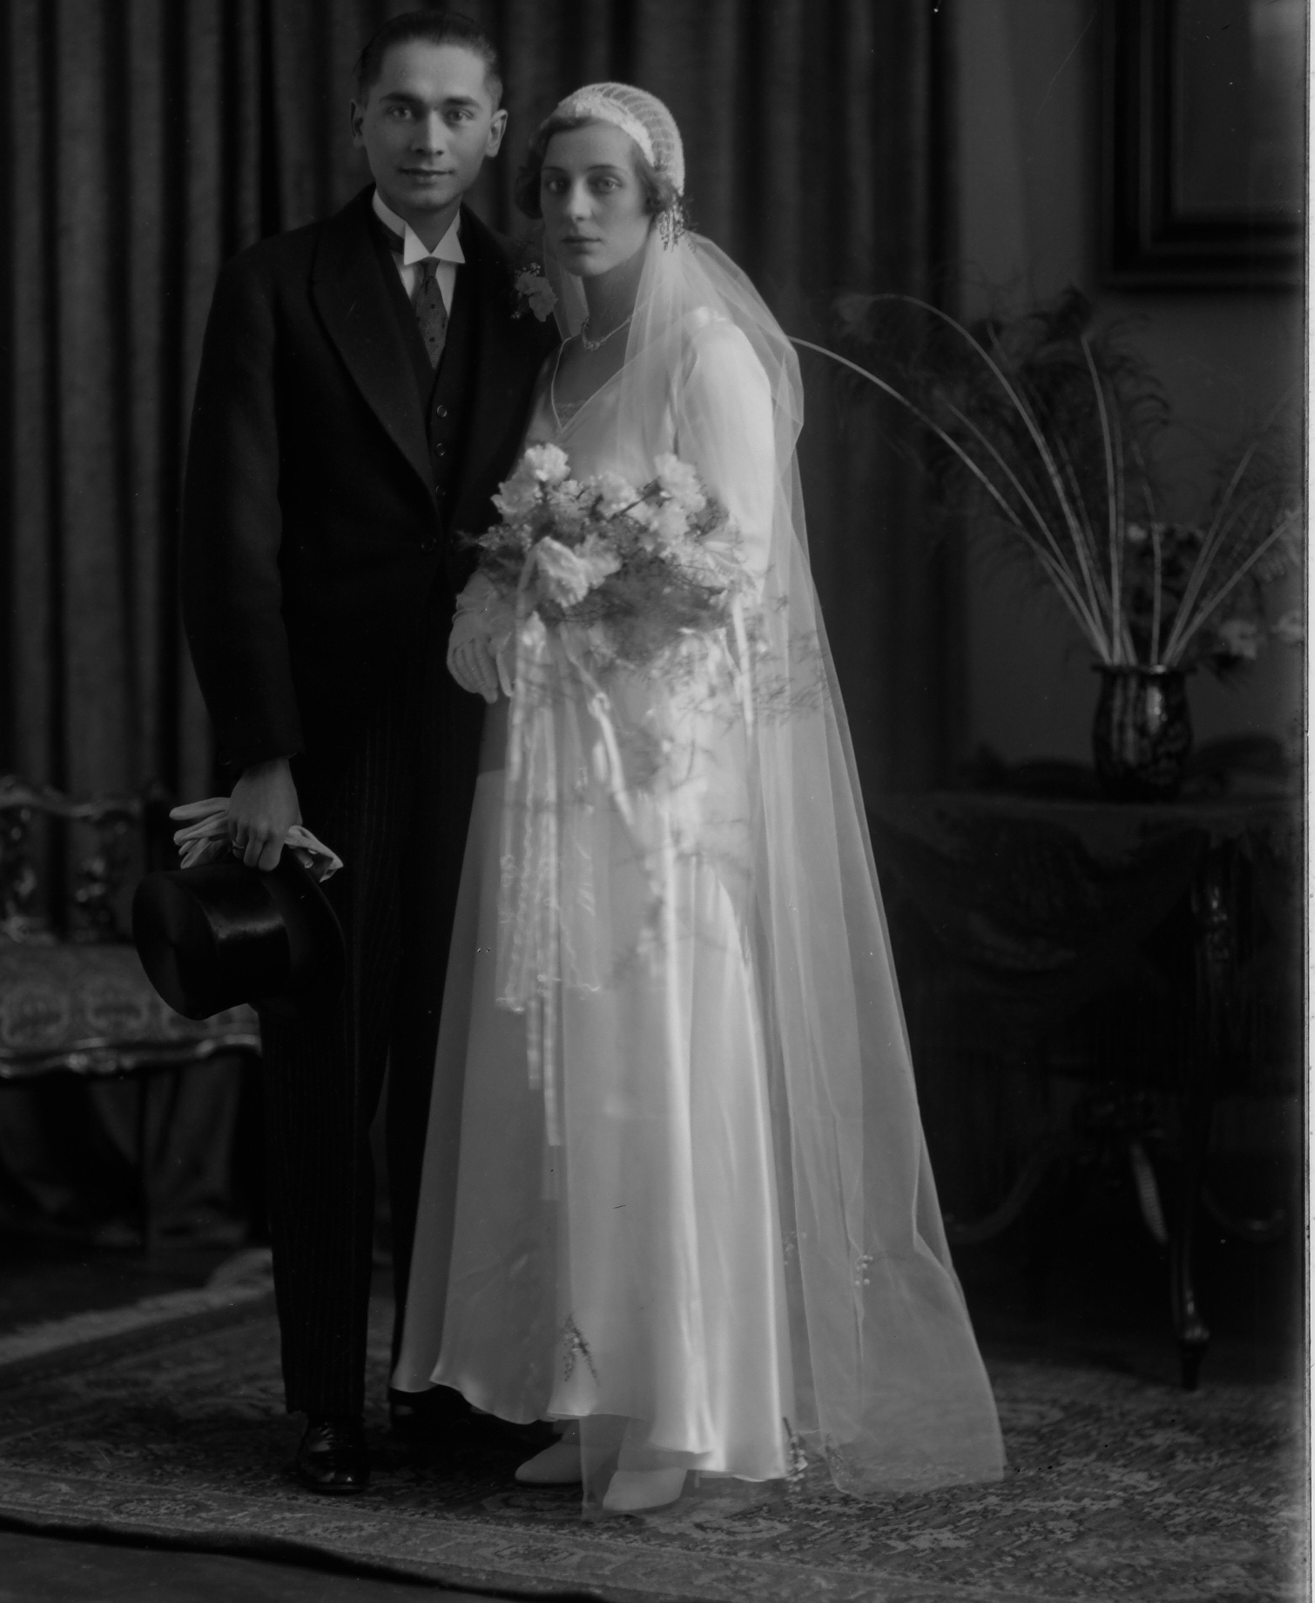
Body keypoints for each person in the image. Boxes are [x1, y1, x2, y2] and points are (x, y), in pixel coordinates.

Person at [393, 84, 1006, 1514]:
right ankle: (595, 1391)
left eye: (605, 183)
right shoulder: (560, 363)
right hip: (552, 775)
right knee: (566, 1083)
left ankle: (694, 1417)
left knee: (657, 1078)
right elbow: (529, 540)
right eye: (556, 184)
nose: (575, 209)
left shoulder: (709, 353)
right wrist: (503, 596)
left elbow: (739, 577)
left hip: (664, 787)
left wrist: (583, 588)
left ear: (661, 201)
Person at [181, 12, 556, 1495]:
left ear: (495, 130)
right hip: (329, 740)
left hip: (493, 735)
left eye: (456, 112)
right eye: (401, 109)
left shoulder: (534, 297)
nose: (427, 136)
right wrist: (261, 753)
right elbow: (231, 537)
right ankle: (328, 1399)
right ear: (359, 124)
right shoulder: (277, 284)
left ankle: (451, 1390)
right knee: (331, 1067)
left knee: (472, 1074)